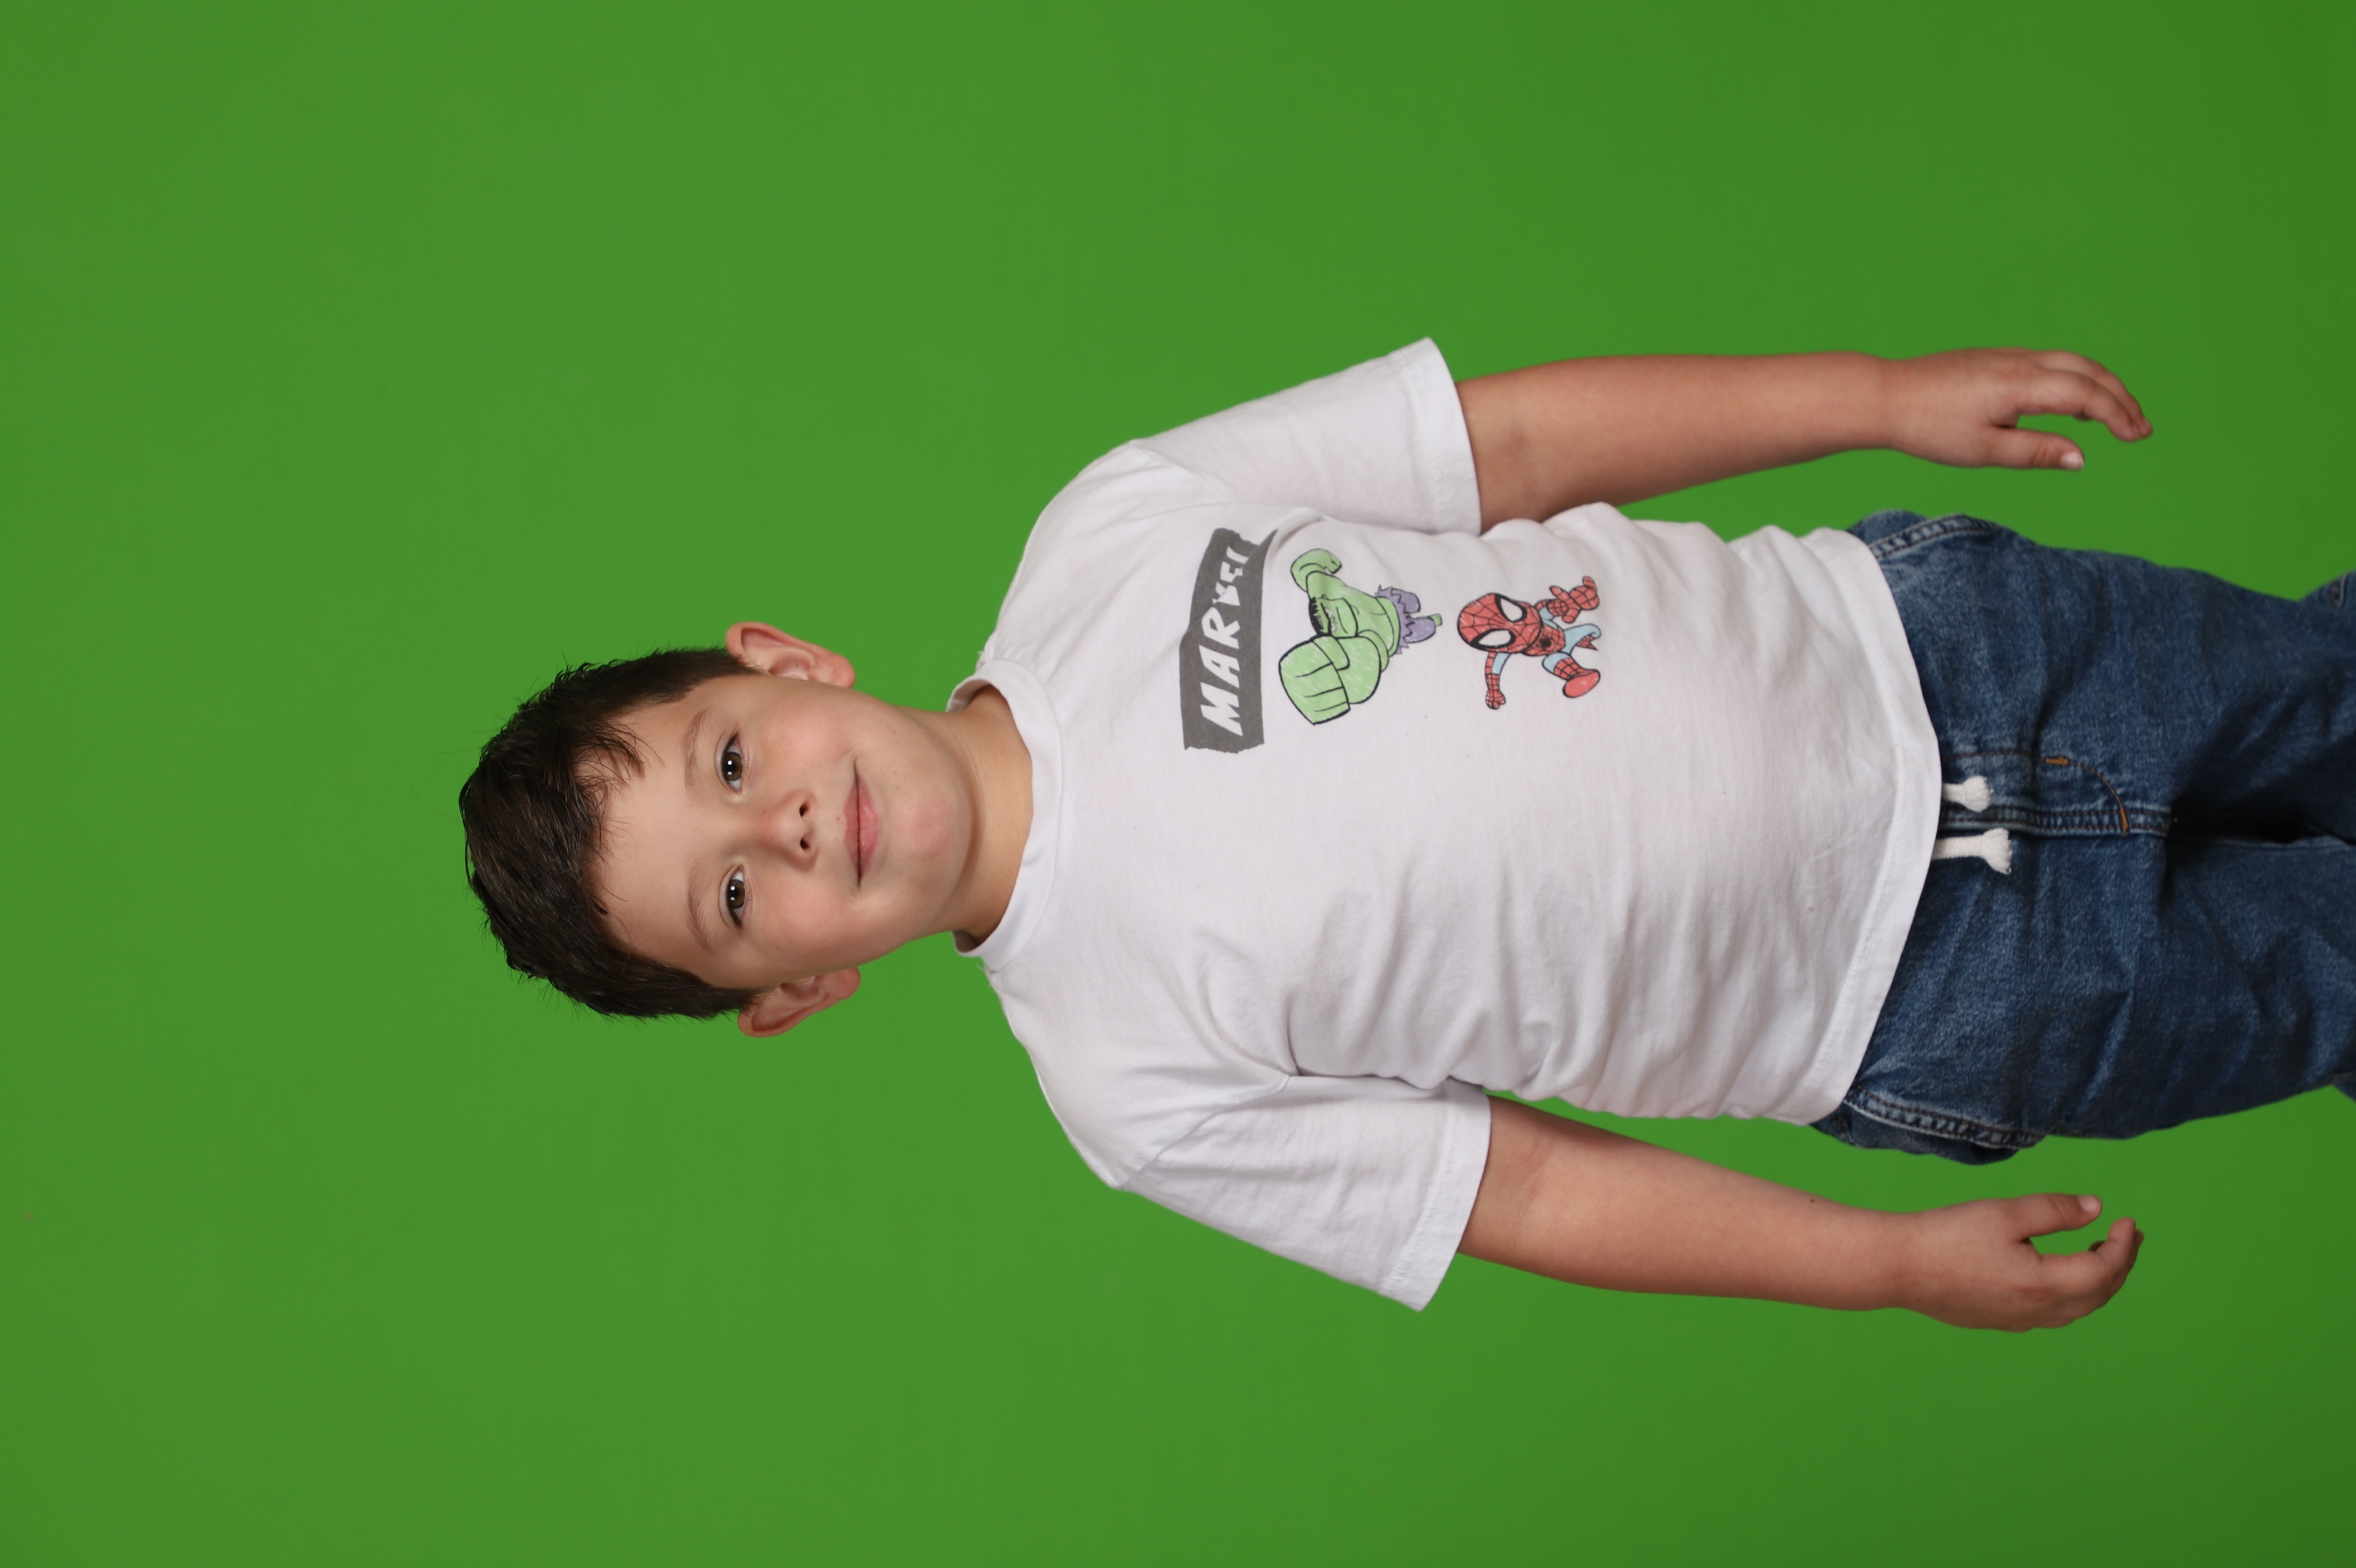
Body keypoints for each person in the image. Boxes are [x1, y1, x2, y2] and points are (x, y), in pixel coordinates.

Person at [459, 340, 2356, 1330]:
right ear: (795, 993)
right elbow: (1524, 1195)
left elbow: (1505, 449)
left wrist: (1869, 399)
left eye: (732, 758)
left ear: (783, 661)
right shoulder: (1130, 1089)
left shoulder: (1110, 533)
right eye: (735, 896)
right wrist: (1880, 1265)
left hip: (1944, 648)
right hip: (1935, 1003)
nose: (789, 824)